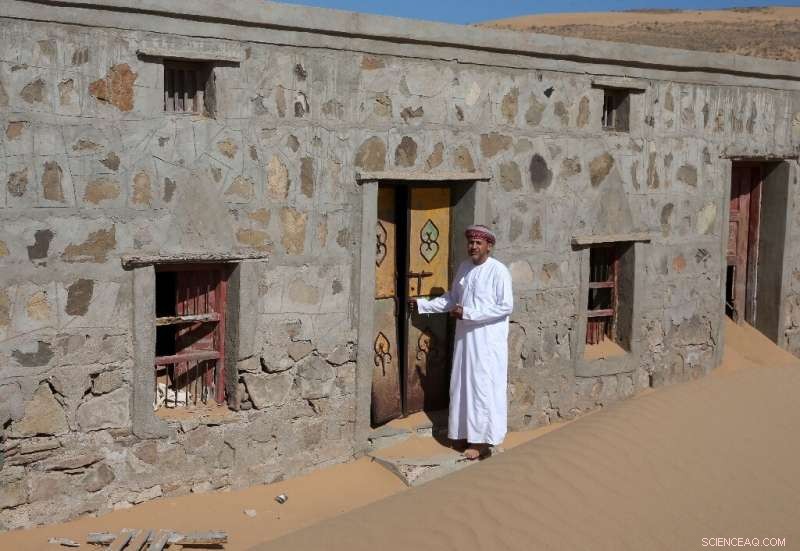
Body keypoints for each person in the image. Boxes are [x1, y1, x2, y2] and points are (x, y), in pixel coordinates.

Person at [409, 224, 513, 459]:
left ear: (489, 246)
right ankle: (465, 434)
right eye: (471, 243)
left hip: (487, 344)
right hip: (465, 340)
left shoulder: (499, 271)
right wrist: (423, 304)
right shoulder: (465, 268)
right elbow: (452, 299)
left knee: (481, 389)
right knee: (463, 386)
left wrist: (469, 313)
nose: (473, 246)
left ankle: (482, 442)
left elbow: (506, 306)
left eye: (478, 243)